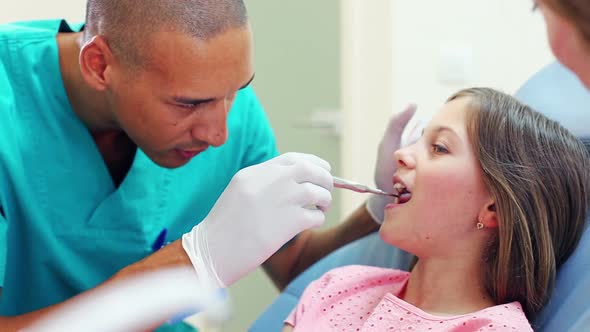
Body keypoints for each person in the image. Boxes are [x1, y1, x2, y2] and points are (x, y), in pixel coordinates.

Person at [0, 0, 415, 330]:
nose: (219, 134)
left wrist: (375, 212)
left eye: (235, 91)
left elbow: (292, 265)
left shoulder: (233, 112)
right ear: (100, 66)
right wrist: (194, 260)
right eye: (189, 103)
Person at [282, 88, 590, 331]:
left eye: (439, 147)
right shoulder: (339, 286)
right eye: (418, 139)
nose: (402, 154)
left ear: (493, 207)